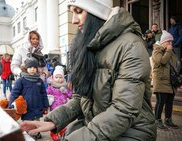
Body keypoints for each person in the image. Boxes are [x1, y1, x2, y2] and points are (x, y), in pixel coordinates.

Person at [20, 0, 156, 141]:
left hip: (132, 132)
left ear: (97, 12)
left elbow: (124, 109)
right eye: (72, 12)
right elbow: (81, 97)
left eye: (79, 11)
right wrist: (53, 120)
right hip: (96, 128)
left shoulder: (130, 46)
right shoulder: (90, 44)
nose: (73, 20)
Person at [8, 57, 49, 140]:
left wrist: (45, 104)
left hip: (37, 106)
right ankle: (28, 135)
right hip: (27, 107)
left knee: (36, 121)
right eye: (30, 67)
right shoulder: (21, 81)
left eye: (34, 68)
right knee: (27, 123)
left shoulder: (39, 81)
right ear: (26, 68)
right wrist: (11, 104)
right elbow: (14, 93)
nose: (32, 69)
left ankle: (36, 133)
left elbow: (43, 93)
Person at [152, 30, 179, 129]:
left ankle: (168, 120)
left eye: (172, 42)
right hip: (161, 81)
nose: (170, 44)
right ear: (163, 42)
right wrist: (168, 51)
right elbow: (162, 61)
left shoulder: (171, 51)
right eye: (169, 42)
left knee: (170, 102)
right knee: (160, 102)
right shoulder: (156, 50)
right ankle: (157, 120)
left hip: (170, 81)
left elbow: (175, 64)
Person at [46, 65, 72, 140]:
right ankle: (54, 133)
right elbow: (47, 94)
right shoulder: (51, 86)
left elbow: (70, 95)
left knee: (63, 121)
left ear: (63, 78)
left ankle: (62, 132)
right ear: (53, 78)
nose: (58, 79)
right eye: (56, 77)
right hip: (54, 108)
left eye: (60, 77)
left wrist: (65, 91)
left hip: (63, 107)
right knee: (54, 122)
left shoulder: (65, 86)